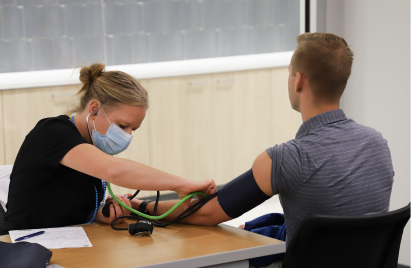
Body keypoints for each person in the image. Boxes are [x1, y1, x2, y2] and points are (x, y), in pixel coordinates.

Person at [126, 33, 394, 267]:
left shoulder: (288, 158)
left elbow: (207, 213)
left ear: (298, 80)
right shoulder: (378, 144)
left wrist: (138, 206)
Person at [0, 63, 216, 235]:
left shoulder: (91, 147)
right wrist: (183, 184)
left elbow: (61, 206)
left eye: (134, 129)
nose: (127, 135)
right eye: (122, 126)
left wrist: (97, 214)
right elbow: (115, 170)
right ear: (94, 108)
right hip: (22, 245)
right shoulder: (52, 132)